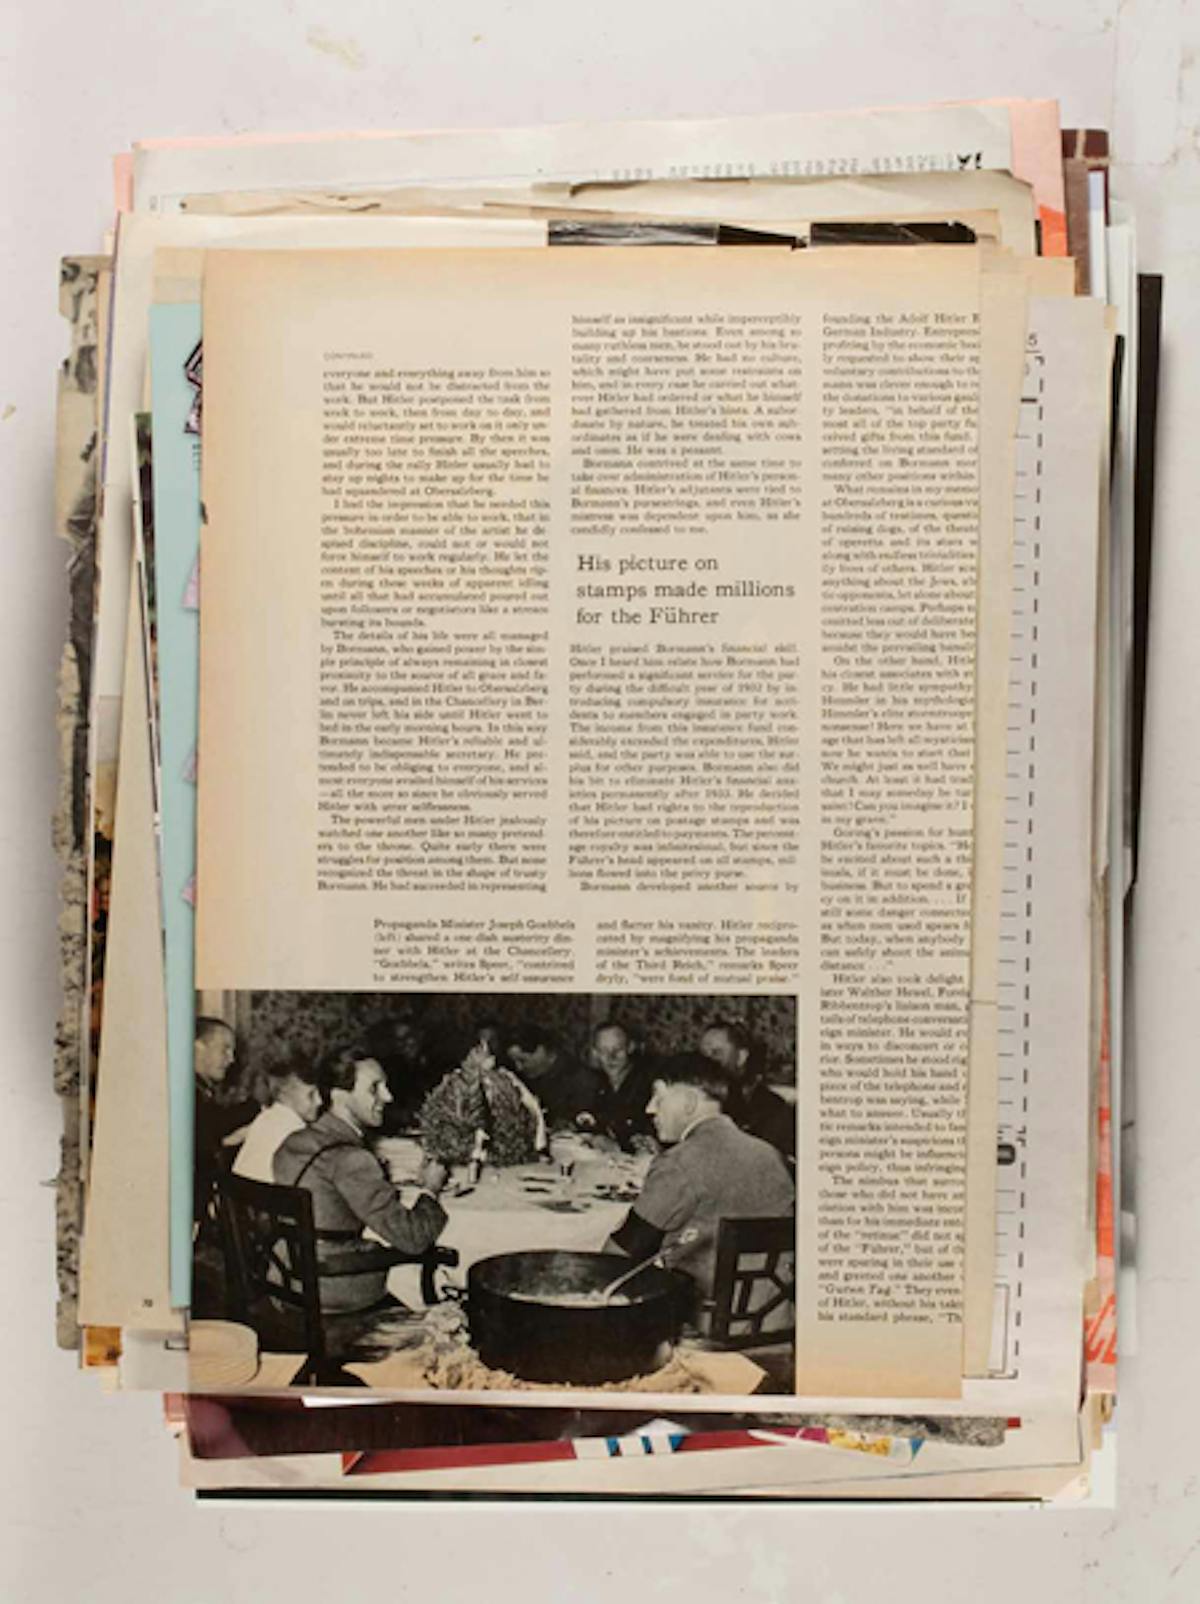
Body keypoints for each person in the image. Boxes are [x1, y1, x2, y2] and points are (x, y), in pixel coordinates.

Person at [606, 1053, 794, 1310]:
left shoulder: (679, 1162)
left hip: (702, 1319)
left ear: (688, 1103)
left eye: (658, 1097)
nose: (649, 1108)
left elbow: (618, 1256)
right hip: (775, 1316)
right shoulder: (771, 1155)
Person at [273, 1045, 450, 1314]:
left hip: (284, 1278)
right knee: (435, 1279)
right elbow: (414, 1239)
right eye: (374, 1088)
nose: (388, 1097)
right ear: (340, 1096)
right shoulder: (353, 1159)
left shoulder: (292, 1143)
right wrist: (431, 1188)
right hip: (331, 1286)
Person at [699, 1017, 795, 1164]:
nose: (707, 1063)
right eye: (703, 1056)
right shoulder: (702, 1102)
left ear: (741, 1057)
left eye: (716, 1053)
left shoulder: (772, 1109)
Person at [193, 1016, 257, 1230]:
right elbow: (215, 1124)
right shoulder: (190, 1092)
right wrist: (257, 1107)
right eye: (225, 1049)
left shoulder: (199, 1089)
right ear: (198, 1047)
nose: (231, 1059)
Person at [232, 1060, 323, 1183]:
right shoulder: (296, 1132)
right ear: (285, 1095)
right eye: (311, 1095)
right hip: (269, 1193)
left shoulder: (265, 1118)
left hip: (239, 1191)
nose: (319, 1101)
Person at [507, 1023, 604, 1130]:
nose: (519, 1068)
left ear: (541, 1051)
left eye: (523, 1060)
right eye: (514, 1062)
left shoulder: (581, 1079)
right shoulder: (523, 1078)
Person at [586, 1021, 657, 1149]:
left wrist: (618, 1146)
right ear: (595, 1053)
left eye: (618, 1049)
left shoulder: (647, 1083)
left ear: (630, 1047)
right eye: (604, 1051)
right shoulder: (597, 1083)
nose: (611, 1057)